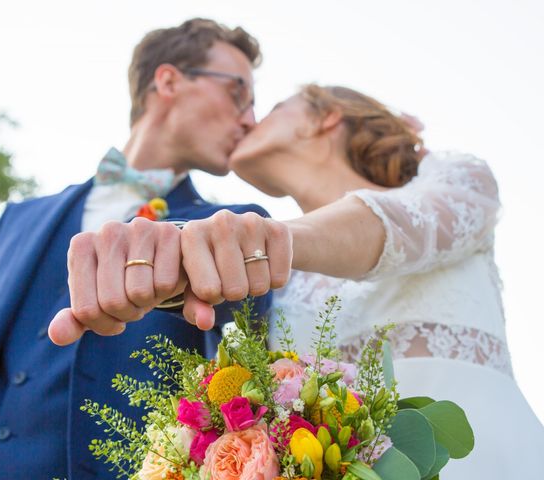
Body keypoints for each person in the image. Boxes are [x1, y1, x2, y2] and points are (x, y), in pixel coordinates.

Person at [0, 18, 275, 480]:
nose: (250, 120)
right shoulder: (18, 220)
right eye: (238, 92)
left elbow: (245, 365)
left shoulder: (232, 228)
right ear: (168, 81)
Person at [224, 84, 544, 477]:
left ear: (328, 116)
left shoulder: (450, 178)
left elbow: (393, 228)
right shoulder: (275, 282)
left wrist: (259, 239)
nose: (248, 121)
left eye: (273, 107)